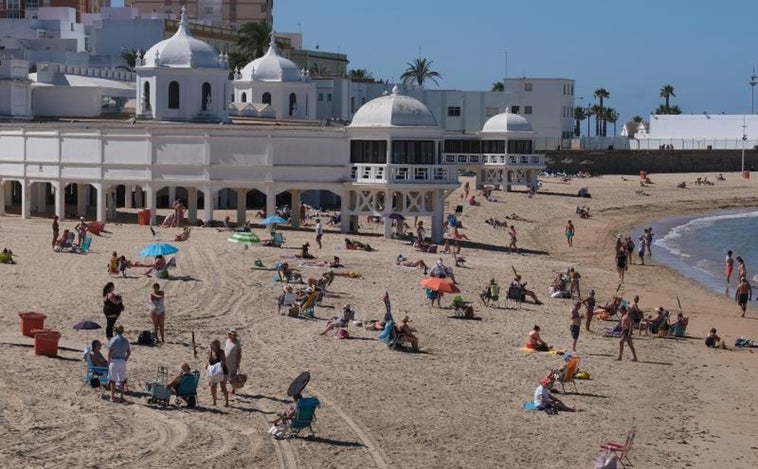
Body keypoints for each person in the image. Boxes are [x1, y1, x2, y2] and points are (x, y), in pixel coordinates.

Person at [107, 324, 131, 403]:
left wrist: (108, 361)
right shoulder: (125, 340)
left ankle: (112, 397)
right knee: (122, 380)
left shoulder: (113, 340)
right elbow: (128, 352)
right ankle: (121, 397)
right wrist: (125, 359)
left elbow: (110, 352)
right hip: (122, 361)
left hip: (114, 360)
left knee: (113, 380)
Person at [207, 339, 229, 407]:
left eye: (212, 346)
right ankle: (214, 401)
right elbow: (209, 360)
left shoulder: (221, 352)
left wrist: (217, 366)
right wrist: (208, 365)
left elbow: (223, 362)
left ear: (216, 346)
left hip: (222, 371)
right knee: (213, 386)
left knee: (223, 387)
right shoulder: (211, 352)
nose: (211, 347)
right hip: (214, 371)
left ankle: (227, 402)